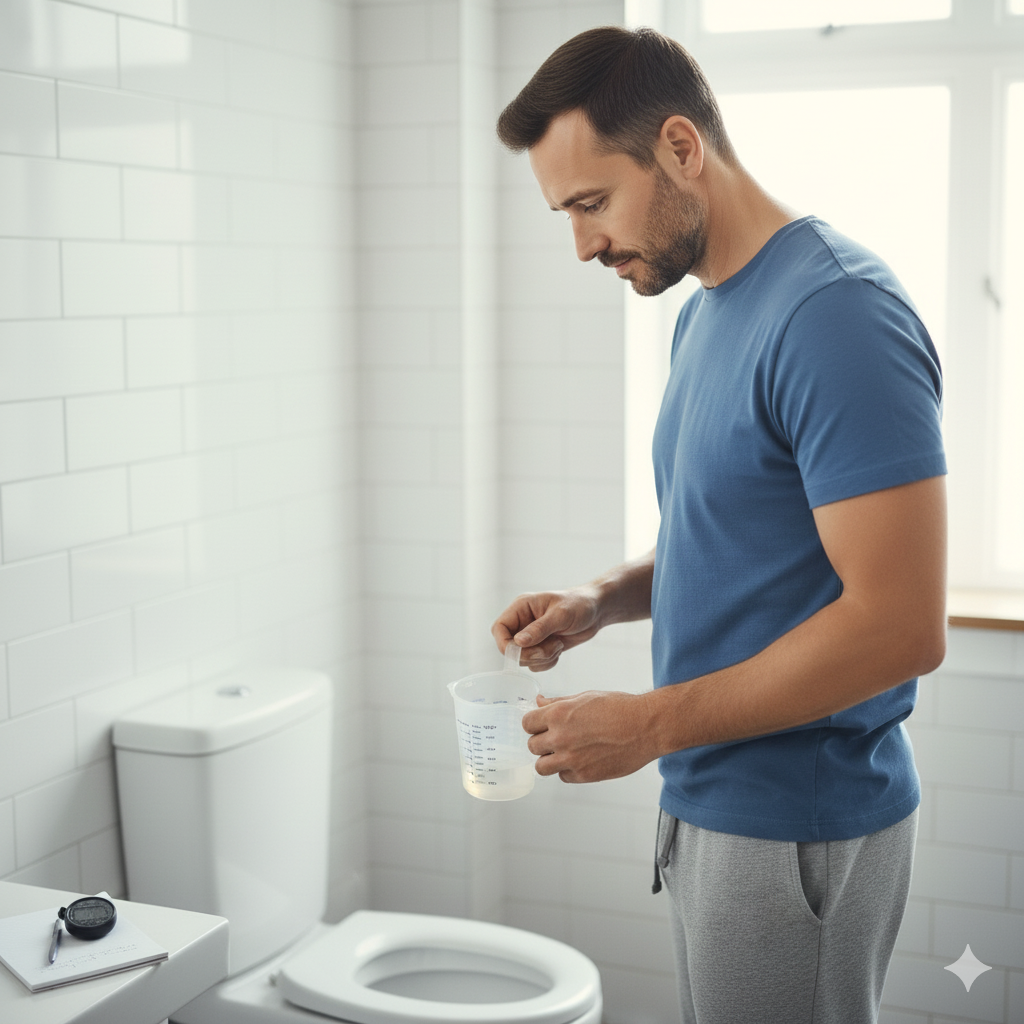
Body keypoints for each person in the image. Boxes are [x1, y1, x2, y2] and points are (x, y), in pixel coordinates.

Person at [490, 25, 947, 1024]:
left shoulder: (836, 315)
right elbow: (746, 534)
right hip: (715, 806)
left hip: (796, 826)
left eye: (590, 202)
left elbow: (901, 625)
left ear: (679, 149)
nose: (581, 244)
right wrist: (601, 601)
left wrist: (647, 725)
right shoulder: (706, 311)